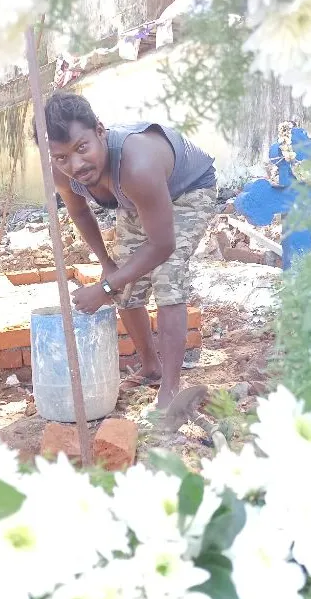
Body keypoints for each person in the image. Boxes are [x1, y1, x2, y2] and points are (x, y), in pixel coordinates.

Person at [43, 92, 217, 413]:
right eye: (61, 157)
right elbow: (81, 213)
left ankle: (170, 389)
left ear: (99, 130)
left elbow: (163, 245)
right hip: (141, 201)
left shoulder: (136, 164)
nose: (76, 165)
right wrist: (108, 266)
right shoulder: (62, 172)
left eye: (82, 148)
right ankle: (151, 367)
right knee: (126, 284)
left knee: (168, 276)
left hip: (189, 189)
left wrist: (105, 287)